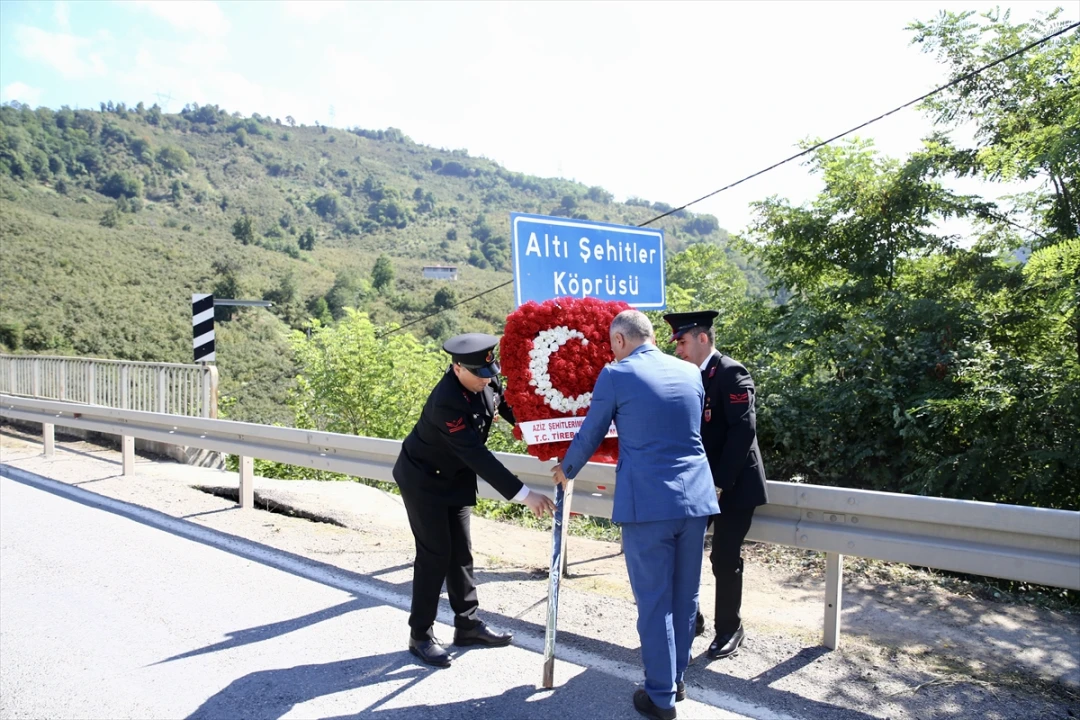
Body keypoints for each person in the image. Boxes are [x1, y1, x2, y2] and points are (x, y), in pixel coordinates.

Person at [553, 310, 718, 720]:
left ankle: (660, 697)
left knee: (654, 601)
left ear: (621, 341)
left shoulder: (615, 374)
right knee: (686, 596)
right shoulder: (690, 373)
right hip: (695, 500)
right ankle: (677, 679)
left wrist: (566, 468)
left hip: (648, 504)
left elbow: (593, 431)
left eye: (613, 345)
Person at [393, 333, 555, 669]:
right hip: (424, 481)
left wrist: (547, 440)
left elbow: (510, 410)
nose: (487, 378)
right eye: (479, 374)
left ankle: (466, 625)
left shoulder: (486, 381)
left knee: (461, 553)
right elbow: (477, 456)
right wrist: (525, 495)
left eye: (489, 372)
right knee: (435, 555)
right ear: (456, 368)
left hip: (453, 477)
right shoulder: (446, 403)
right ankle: (420, 634)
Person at [663, 311, 768, 661]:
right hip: (699, 484)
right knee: (680, 550)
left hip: (734, 484)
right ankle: (692, 619)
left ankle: (729, 628)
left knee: (723, 557)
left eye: (682, 341)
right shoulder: (687, 375)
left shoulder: (731, 373)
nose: (678, 350)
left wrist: (721, 483)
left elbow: (742, 432)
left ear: (702, 338)